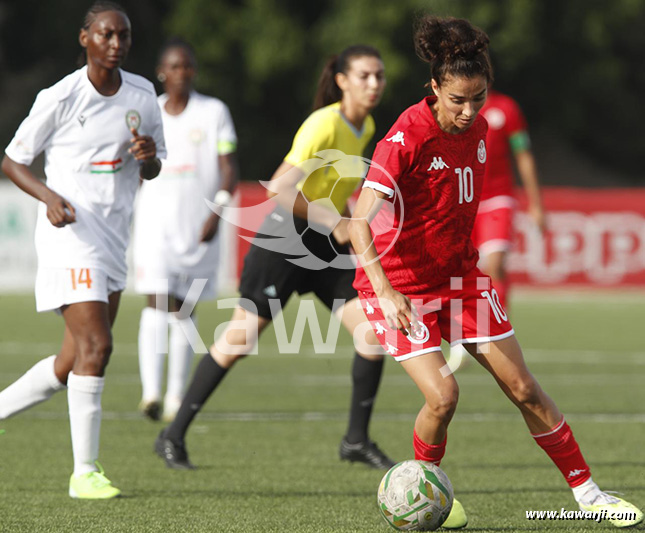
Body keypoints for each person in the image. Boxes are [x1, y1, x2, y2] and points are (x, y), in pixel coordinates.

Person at [348, 15, 642, 529]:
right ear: (434, 87)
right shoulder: (404, 137)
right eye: (458, 99)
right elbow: (357, 224)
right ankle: (427, 489)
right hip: (403, 287)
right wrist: (386, 290)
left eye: (478, 98)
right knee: (443, 398)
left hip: (461, 279)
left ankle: (590, 496)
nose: (469, 111)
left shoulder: (483, 129)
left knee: (524, 388)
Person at [155, 45, 395, 471]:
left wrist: (347, 223)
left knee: (372, 335)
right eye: (363, 76)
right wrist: (335, 221)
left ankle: (356, 441)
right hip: (285, 241)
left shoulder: (367, 125)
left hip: (324, 246)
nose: (373, 84)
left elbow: (332, 190)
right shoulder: (323, 124)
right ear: (341, 80)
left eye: (378, 76)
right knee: (239, 340)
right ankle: (171, 436)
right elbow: (278, 189)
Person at [0, 1, 165, 499]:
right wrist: (48, 197)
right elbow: (12, 159)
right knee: (98, 348)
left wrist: (150, 158)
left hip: (114, 239)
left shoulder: (143, 95)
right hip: (69, 237)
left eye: (124, 36)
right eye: (106, 35)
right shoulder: (61, 96)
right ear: (85, 39)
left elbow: (154, 167)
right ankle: (84, 473)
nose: (116, 44)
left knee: (73, 360)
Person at [133, 38, 239, 423]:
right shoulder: (150, 111)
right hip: (154, 225)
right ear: (162, 72)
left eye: (188, 66)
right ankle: (151, 394)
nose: (182, 73)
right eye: (175, 66)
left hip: (199, 226)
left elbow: (229, 166)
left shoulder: (213, 112)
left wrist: (220, 209)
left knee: (184, 309)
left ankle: (177, 396)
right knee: (156, 300)